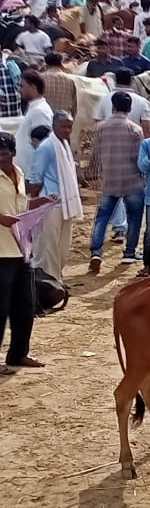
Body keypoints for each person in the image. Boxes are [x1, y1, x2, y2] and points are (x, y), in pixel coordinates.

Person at [0, 132, 51, 374]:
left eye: (5, 153)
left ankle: (18, 354)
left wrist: (39, 202)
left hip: (21, 249)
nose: (1, 158)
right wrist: (1, 219)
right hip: (1, 252)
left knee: (25, 305)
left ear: (13, 152)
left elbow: (20, 205)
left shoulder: (18, 173)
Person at [87, 91, 145, 272]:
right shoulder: (135, 129)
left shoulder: (101, 128)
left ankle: (96, 252)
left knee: (102, 218)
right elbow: (140, 159)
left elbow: (95, 154)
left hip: (109, 180)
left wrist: (94, 174)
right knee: (134, 219)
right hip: (132, 181)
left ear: (113, 106)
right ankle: (129, 253)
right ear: (129, 108)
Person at [27, 112, 81, 284]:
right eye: (63, 126)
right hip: (49, 204)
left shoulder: (64, 144)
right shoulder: (47, 147)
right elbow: (35, 179)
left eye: (70, 127)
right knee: (47, 246)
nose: (67, 130)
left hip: (65, 203)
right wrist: (35, 206)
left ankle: (55, 278)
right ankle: (45, 282)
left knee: (62, 246)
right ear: (54, 126)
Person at [16, 71, 53, 181]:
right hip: (26, 171)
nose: (20, 89)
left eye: (22, 86)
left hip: (31, 174)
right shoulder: (34, 108)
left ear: (33, 87)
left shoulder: (40, 111)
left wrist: (35, 177)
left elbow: (42, 145)